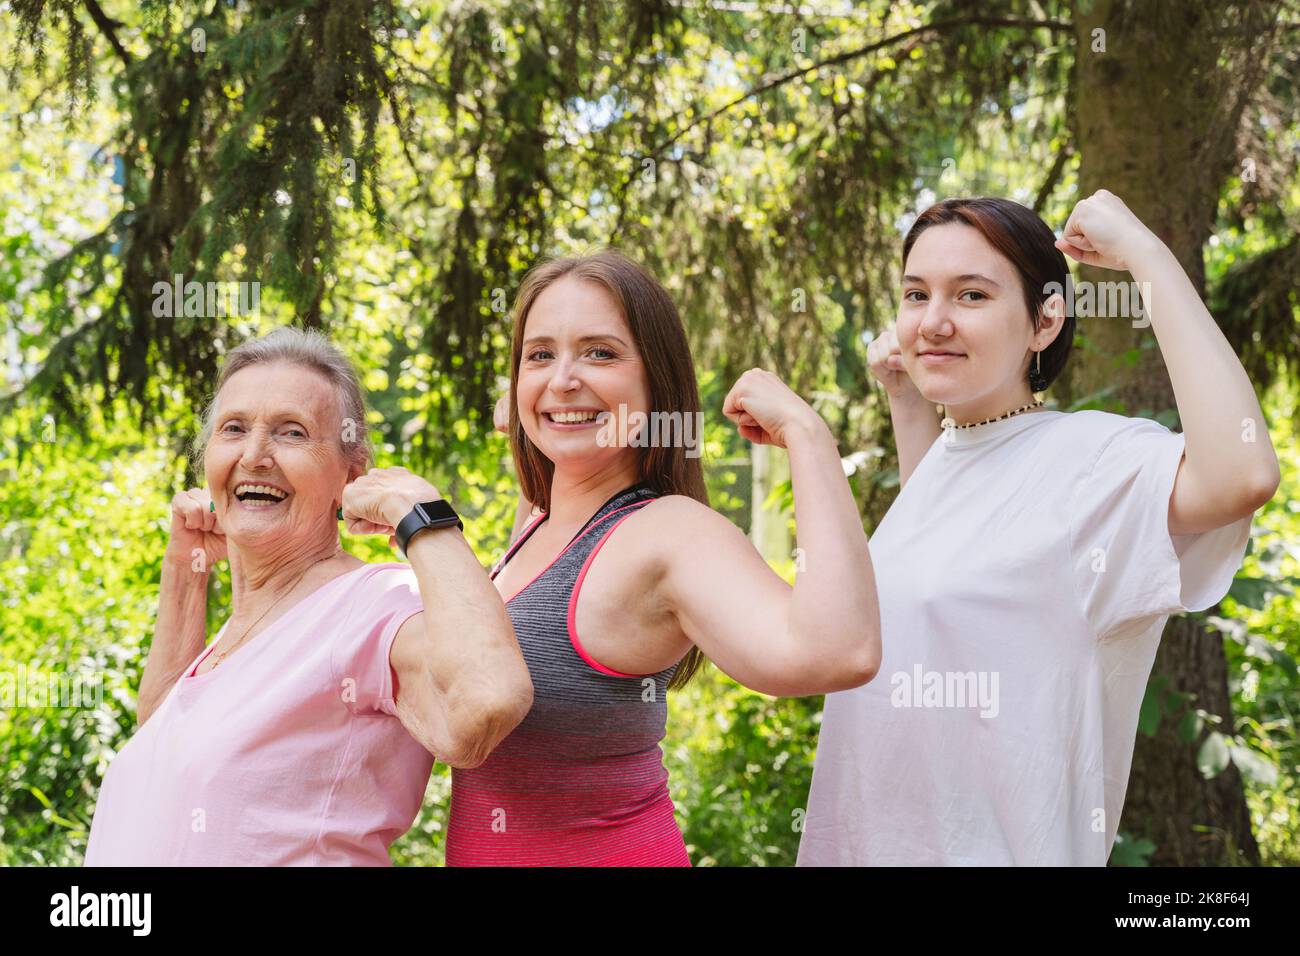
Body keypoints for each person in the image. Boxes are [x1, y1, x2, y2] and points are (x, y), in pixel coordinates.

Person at [797, 191, 1281, 866]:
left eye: (970, 296)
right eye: (915, 295)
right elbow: (952, 572)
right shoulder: (954, 457)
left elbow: (1241, 475)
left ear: (1045, 320)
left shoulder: (1089, 462)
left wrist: (1147, 254)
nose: (932, 321)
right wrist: (906, 398)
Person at [450, 249, 882, 865]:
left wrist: (806, 436)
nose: (564, 377)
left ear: (656, 379)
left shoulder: (666, 532)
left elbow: (841, 651)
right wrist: (535, 422)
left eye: (600, 352)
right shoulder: (541, 523)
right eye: (540, 354)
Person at [84, 328, 533, 866]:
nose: (254, 455)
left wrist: (423, 516)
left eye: (291, 433)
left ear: (351, 471)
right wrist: (187, 569)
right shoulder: (243, 627)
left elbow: (486, 705)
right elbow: (162, 747)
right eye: (233, 429)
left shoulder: (376, 601)